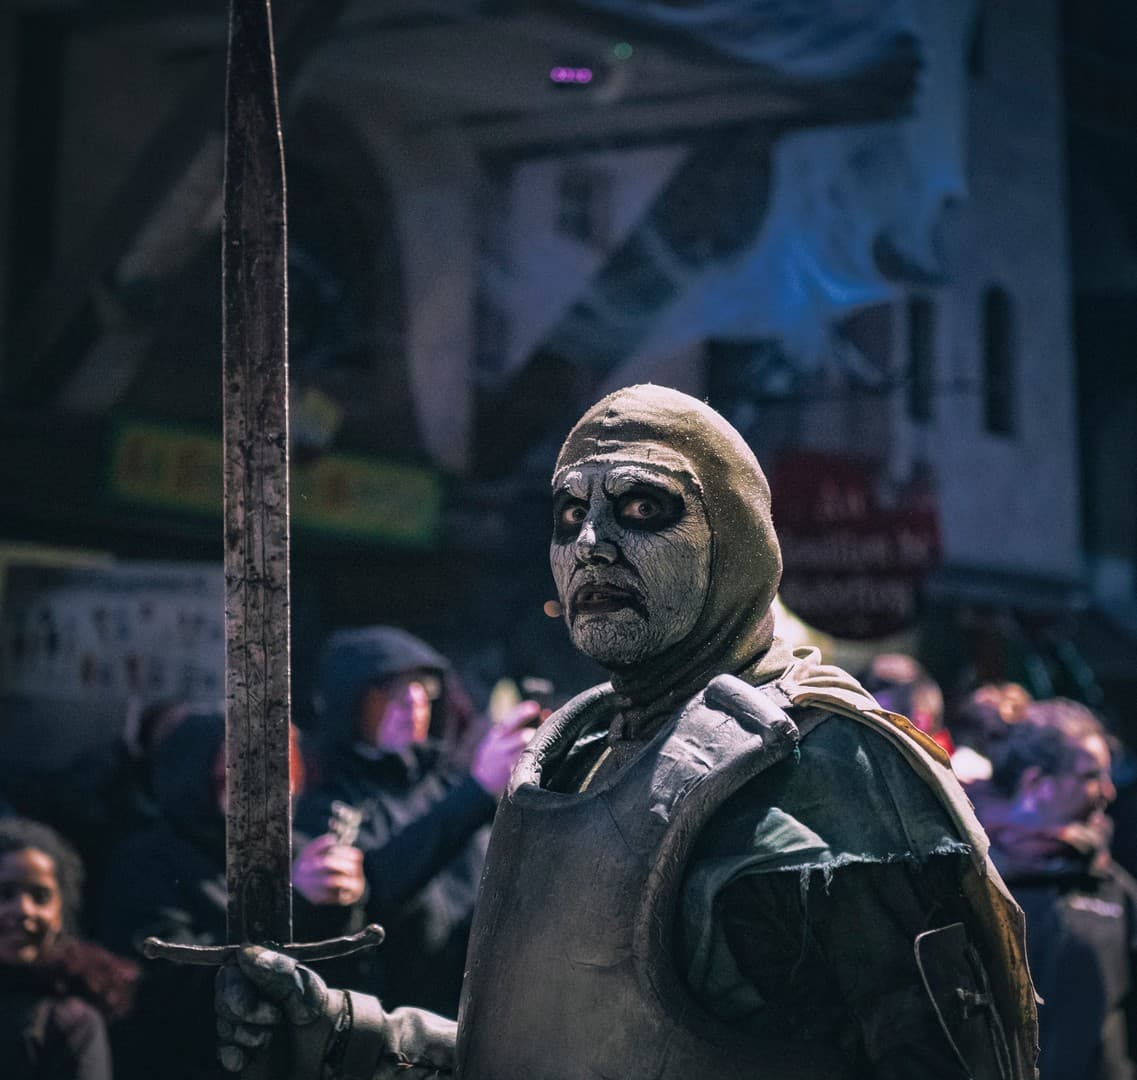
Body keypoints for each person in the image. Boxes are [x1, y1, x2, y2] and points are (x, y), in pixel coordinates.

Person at [215, 385, 1038, 1079]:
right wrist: (348, 1033)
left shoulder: (834, 770)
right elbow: (556, 1051)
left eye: (642, 506)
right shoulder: (573, 760)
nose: (590, 545)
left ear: (733, 538)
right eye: (569, 512)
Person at [101, 710, 364, 1080]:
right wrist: (295, 904)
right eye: (242, 765)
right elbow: (176, 990)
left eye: (281, 765)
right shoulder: (148, 860)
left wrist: (342, 904)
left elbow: (340, 980)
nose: (268, 783)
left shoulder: (296, 854)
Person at [294, 626, 538, 1017]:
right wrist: (477, 790)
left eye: (423, 685)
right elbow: (374, 885)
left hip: (489, 1007)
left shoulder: (447, 785)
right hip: (402, 1026)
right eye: (388, 690)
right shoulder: (329, 802)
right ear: (349, 702)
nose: (414, 700)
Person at [977, 698, 1137, 1079]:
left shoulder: (1112, 888)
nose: (1108, 792)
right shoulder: (976, 881)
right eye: (1090, 776)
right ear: (1037, 783)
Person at [0, 816, 137, 1080]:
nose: (23, 910)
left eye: (40, 896)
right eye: (5, 893)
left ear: (60, 912)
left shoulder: (71, 1022)